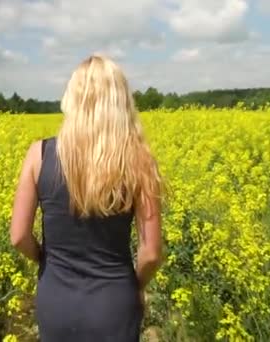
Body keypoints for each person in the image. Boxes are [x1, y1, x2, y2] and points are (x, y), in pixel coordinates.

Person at [9, 54, 164, 341]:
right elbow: (151, 252)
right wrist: (137, 286)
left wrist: (45, 259)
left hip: (56, 298)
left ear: (72, 98)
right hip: (114, 302)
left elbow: (19, 236)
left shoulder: (39, 155)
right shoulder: (140, 161)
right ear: (121, 103)